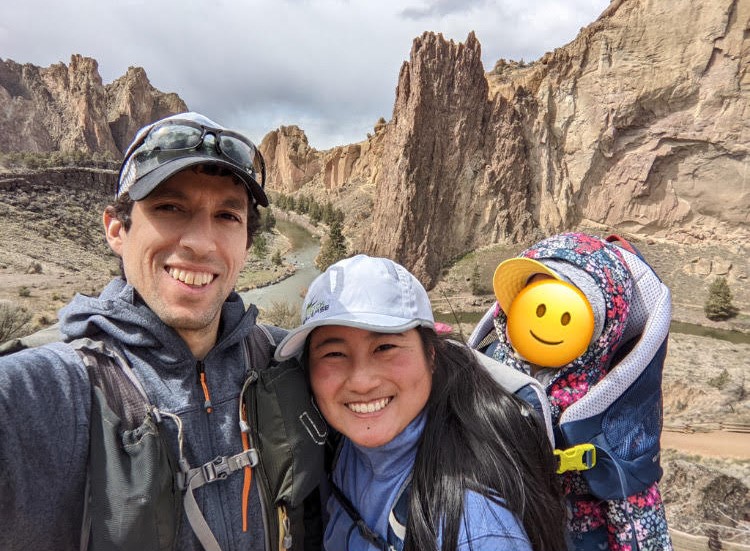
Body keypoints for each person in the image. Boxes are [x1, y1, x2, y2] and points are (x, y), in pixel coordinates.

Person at [0, 112, 325, 551]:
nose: (201, 242)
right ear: (117, 230)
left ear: (247, 245)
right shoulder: (58, 389)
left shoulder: (284, 360)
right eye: (170, 207)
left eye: (227, 215)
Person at [274, 254, 568, 551]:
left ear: (431, 355)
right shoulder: (338, 443)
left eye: (385, 347)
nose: (362, 382)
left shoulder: (475, 528)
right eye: (334, 354)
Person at [469, 232, 672, 550]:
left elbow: (637, 514)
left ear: (604, 324)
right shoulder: (485, 364)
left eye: (567, 303)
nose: (546, 317)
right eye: (535, 296)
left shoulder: (610, 400)